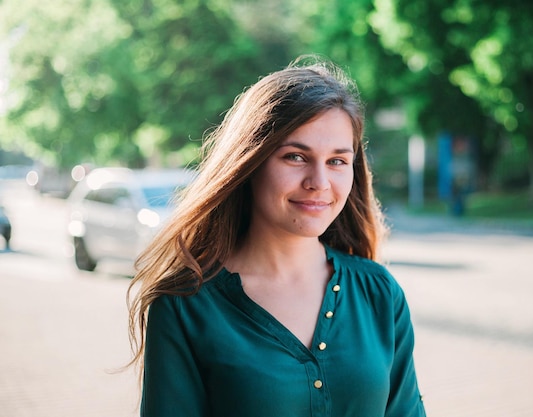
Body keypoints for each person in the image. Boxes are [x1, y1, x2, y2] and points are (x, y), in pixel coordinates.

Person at [127, 56, 427, 417]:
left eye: (337, 161)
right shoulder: (186, 305)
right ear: (250, 162)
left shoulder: (378, 293)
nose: (319, 182)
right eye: (296, 157)